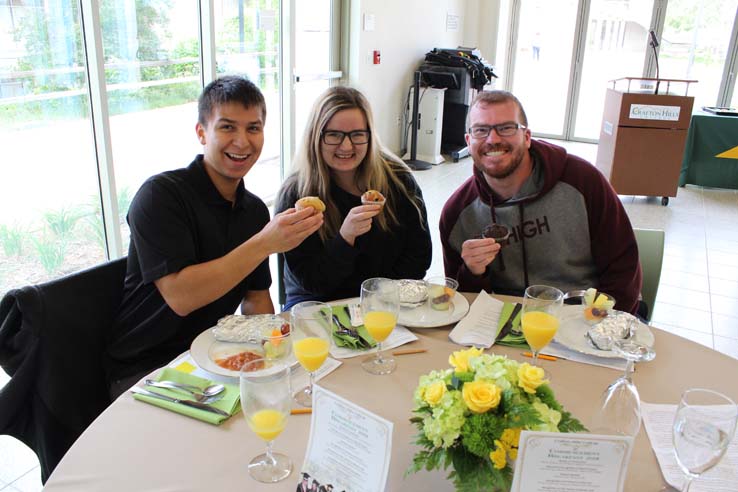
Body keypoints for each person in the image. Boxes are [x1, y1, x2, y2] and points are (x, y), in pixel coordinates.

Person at [106, 76, 323, 397]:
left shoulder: (252, 210)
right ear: (201, 132)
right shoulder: (161, 195)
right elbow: (181, 297)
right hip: (146, 368)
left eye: (253, 128)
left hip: (213, 356)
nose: (242, 142)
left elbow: (255, 299)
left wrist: (278, 350)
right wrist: (265, 242)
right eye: (227, 127)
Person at [440, 90, 642, 314]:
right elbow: (461, 303)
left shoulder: (583, 182)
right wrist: (472, 272)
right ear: (469, 141)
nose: (493, 139)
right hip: (501, 325)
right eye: (481, 130)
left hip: (581, 318)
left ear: (527, 137)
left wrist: (603, 323)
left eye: (506, 128)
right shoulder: (457, 213)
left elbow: (623, 268)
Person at [275, 86, 432, 309]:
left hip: (383, 300)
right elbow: (310, 281)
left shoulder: (397, 180)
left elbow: (419, 256)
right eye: (334, 135)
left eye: (357, 134)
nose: (346, 146)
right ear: (315, 137)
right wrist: (345, 238)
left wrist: (379, 300)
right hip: (318, 302)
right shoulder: (296, 194)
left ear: (370, 135)